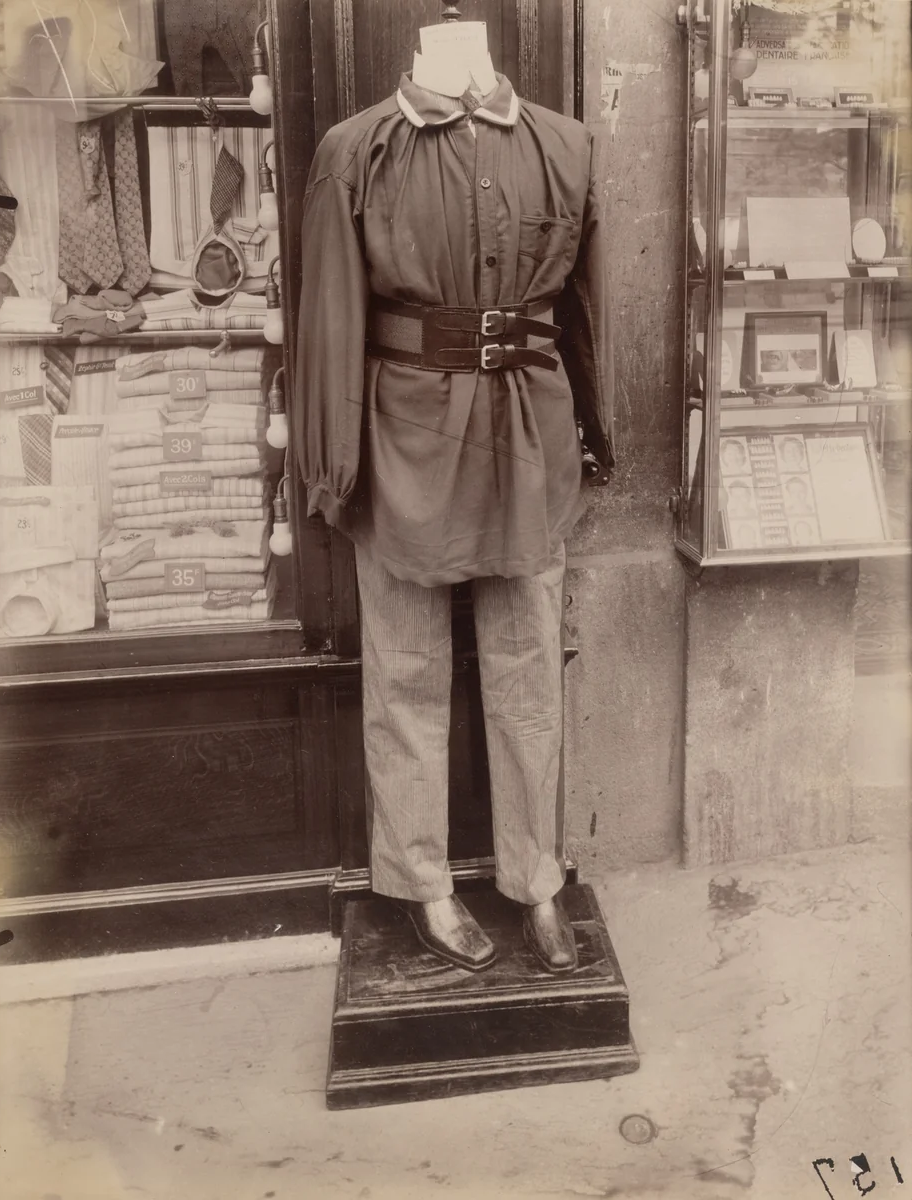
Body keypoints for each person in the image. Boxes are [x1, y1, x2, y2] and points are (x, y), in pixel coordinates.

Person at [295, 45, 613, 976]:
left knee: (527, 664)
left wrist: (593, 430)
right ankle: (424, 885)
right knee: (403, 667)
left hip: (526, 422)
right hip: (401, 427)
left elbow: (587, 305)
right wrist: (332, 460)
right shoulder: (356, 150)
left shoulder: (565, 144)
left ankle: (537, 881)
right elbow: (328, 315)